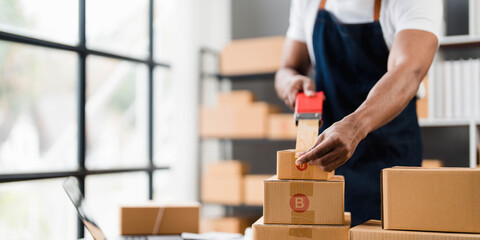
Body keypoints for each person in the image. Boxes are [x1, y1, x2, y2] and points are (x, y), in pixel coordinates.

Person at [275, 0, 442, 226]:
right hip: (328, 156)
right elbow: (288, 67)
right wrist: (289, 83)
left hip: (391, 156)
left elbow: (409, 70)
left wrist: (355, 126)